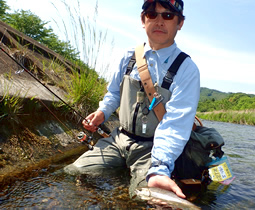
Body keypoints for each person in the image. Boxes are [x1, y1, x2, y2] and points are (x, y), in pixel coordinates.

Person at [64, 0, 200, 199]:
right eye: (153, 14)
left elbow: (175, 126)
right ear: (143, 20)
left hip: (152, 148)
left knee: (145, 198)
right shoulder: (128, 57)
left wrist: (159, 168)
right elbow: (113, 93)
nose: (160, 21)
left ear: (180, 23)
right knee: (73, 172)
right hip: (118, 139)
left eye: (168, 16)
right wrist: (102, 112)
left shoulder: (187, 69)